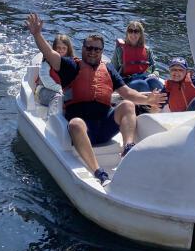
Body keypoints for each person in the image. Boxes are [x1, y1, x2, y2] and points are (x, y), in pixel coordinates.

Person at [25, 13, 167, 186]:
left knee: (128, 105)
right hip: (84, 130)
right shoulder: (71, 66)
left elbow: (128, 93)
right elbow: (49, 53)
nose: (92, 52)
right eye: (89, 48)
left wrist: (148, 100)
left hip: (105, 126)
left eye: (97, 49)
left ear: (101, 51)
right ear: (83, 48)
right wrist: (37, 34)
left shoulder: (108, 69)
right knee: (76, 123)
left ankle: (128, 148)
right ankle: (98, 172)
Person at [111, 21, 163, 93]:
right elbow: (112, 70)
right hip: (126, 81)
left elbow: (155, 69)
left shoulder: (147, 50)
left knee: (154, 82)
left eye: (136, 31)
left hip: (144, 77)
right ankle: (146, 102)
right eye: (130, 31)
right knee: (141, 84)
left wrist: (154, 74)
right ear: (127, 33)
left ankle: (165, 102)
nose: (133, 34)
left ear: (140, 34)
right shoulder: (120, 50)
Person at [36, 34, 74, 106]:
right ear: (54, 48)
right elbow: (45, 79)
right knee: (58, 98)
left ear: (68, 49)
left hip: (62, 91)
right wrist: (60, 89)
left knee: (72, 96)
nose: (61, 51)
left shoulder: (71, 63)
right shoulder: (47, 61)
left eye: (64, 48)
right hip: (44, 90)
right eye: (58, 48)